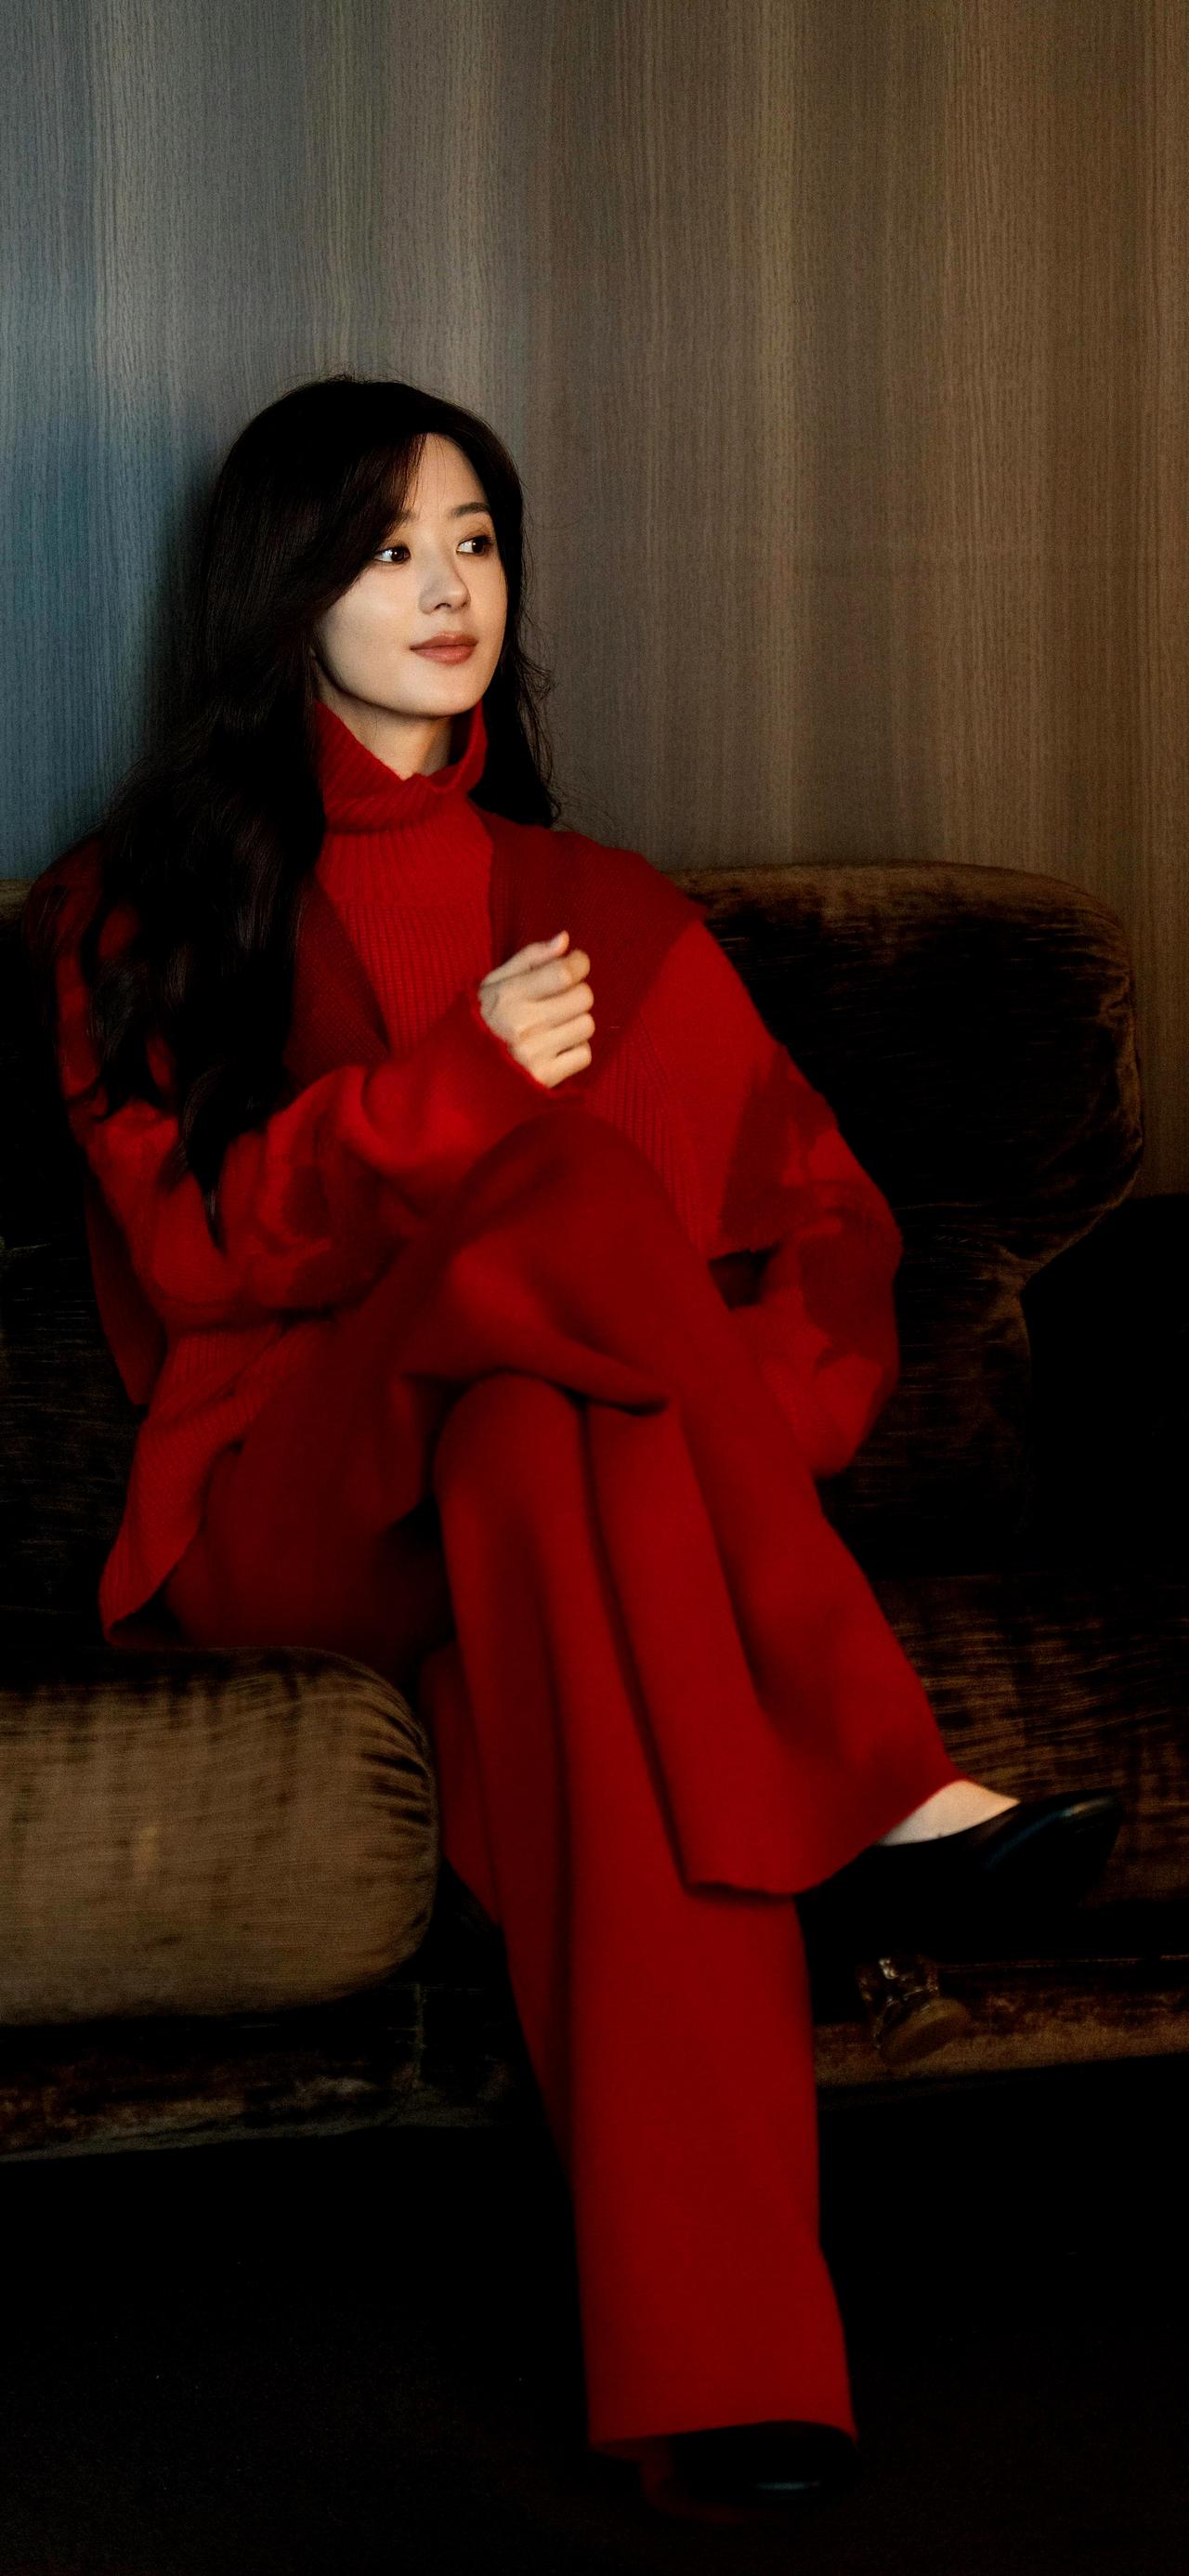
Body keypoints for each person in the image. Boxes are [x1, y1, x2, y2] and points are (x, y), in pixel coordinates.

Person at [23, 374, 1123, 2526]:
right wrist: (450, 1084)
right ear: (279, 591)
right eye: (386, 546)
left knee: (552, 1450)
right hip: (286, 1506)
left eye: (476, 539)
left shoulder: (606, 911)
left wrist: (692, 1440)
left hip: (529, 1504)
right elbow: (192, 1250)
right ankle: (865, 1759)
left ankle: (733, 2381)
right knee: (558, 1185)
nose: (447, 586)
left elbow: (831, 1243)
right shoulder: (134, 907)